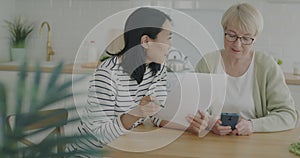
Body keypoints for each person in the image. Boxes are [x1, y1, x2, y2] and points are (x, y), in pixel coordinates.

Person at [67, 7, 207, 156]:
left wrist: (188, 125)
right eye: (167, 38)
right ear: (146, 41)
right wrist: (136, 113)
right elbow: (97, 137)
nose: (170, 46)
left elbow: (155, 115)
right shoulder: (107, 74)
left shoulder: (156, 69)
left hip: (123, 150)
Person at [196, 3, 297, 136]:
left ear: (255, 39)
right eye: (231, 35)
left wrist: (253, 125)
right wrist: (209, 123)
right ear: (224, 31)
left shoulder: (266, 65)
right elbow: (193, 108)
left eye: (246, 38)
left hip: (252, 142)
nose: (237, 44)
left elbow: (288, 115)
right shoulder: (207, 63)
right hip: (210, 141)